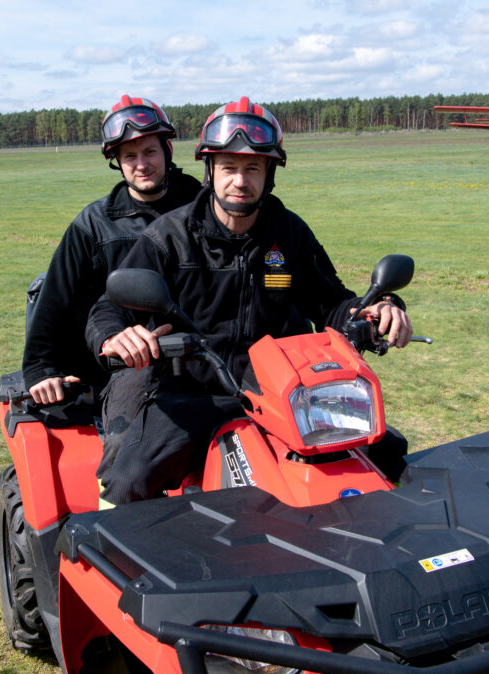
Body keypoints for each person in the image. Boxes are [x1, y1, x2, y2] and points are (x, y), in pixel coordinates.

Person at [86, 97, 412, 504]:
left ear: (269, 174)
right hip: (193, 392)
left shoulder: (289, 233)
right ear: (210, 171)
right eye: (229, 168)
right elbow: (109, 308)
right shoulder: (170, 237)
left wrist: (375, 310)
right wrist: (115, 336)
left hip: (282, 393)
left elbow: (331, 302)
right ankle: (106, 557)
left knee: (387, 454)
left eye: (253, 168)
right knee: (128, 480)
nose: (240, 181)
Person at [22, 95, 202, 407]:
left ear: (167, 150)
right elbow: (53, 299)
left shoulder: (204, 209)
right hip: (128, 368)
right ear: (117, 161)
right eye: (130, 156)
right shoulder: (93, 226)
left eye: (149, 152)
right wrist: (40, 369)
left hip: (205, 357)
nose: (142, 165)